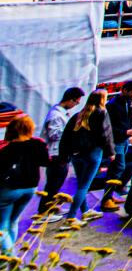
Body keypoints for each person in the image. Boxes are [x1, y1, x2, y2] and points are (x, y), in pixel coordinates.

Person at [58, 90, 114, 223]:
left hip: (76, 154)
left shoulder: (78, 115)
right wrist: (111, 152)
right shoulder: (101, 113)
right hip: (93, 153)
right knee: (84, 186)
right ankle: (71, 218)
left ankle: (85, 211)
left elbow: (65, 136)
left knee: (81, 184)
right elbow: (106, 134)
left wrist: (64, 155)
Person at [0, 115, 47, 253]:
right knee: (13, 221)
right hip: (30, 188)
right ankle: (6, 255)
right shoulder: (38, 144)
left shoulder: (7, 148)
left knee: (2, 227)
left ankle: (12, 259)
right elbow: (46, 161)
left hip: (9, 189)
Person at [38, 87, 84, 217]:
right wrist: (73, 131)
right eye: (76, 102)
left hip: (61, 153)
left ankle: (52, 206)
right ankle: (44, 210)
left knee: (57, 182)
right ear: (70, 100)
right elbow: (54, 135)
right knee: (53, 183)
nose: (76, 105)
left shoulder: (61, 113)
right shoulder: (56, 115)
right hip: (56, 154)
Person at [100, 80, 132, 211]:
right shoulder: (112, 105)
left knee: (118, 168)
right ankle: (106, 199)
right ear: (124, 90)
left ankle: (109, 195)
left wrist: (130, 134)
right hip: (117, 140)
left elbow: (128, 119)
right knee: (118, 167)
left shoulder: (127, 102)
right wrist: (126, 132)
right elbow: (109, 127)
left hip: (124, 139)